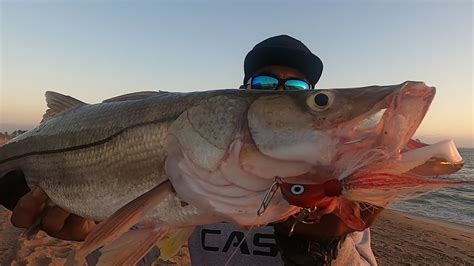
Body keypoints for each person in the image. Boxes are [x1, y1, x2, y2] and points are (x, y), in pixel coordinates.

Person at [0, 35, 381, 265]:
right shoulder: (197, 165)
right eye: (263, 83)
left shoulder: (329, 192)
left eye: (300, 90)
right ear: (241, 91)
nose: (280, 92)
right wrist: (91, 232)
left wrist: (321, 245)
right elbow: (132, 252)